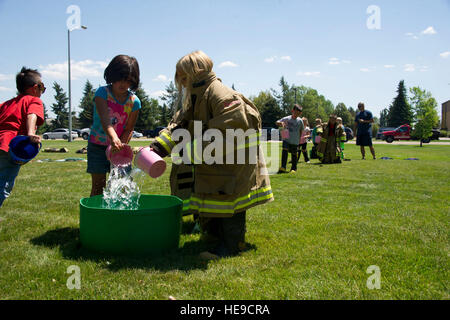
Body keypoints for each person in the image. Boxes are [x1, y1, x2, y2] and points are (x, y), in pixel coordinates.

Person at [150, 50, 273, 260]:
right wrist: (160, 146)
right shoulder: (199, 94)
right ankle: (215, 238)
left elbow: (233, 128)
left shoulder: (220, 94)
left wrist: (195, 149)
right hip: (217, 162)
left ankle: (232, 245)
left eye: (183, 77)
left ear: (195, 72)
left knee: (230, 203)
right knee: (214, 199)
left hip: (233, 163)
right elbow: (180, 122)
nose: (180, 82)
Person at [87, 55, 141, 196]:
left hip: (119, 148)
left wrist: (120, 145)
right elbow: (105, 120)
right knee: (98, 186)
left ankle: (118, 215)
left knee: (121, 185)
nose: (123, 84)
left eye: (128, 80)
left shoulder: (134, 102)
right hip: (97, 146)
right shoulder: (102, 93)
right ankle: (96, 216)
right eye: (120, 78)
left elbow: (129, 128)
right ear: (112, 75)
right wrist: (113, 138)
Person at [0, 67, 45, 207]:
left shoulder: (5, 104)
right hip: (10, 147)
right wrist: (31, 133)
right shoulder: (34, 101)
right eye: (42, 88)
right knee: (3, 186)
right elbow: (32, 114)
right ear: (35, 88)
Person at [276, 105, 304, 173]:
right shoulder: (287, 118)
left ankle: (293, 168)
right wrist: (280, 123)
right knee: (284, 151)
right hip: (286, 139)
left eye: (298, 113)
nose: (296, 114)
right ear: (292, 111)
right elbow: (277, 122)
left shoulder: (300, 121)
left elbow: (301, 130)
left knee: (294, 154)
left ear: (300, 114)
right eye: (295, 112)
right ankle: (283, 167)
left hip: (295, 140)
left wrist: (299, 139)